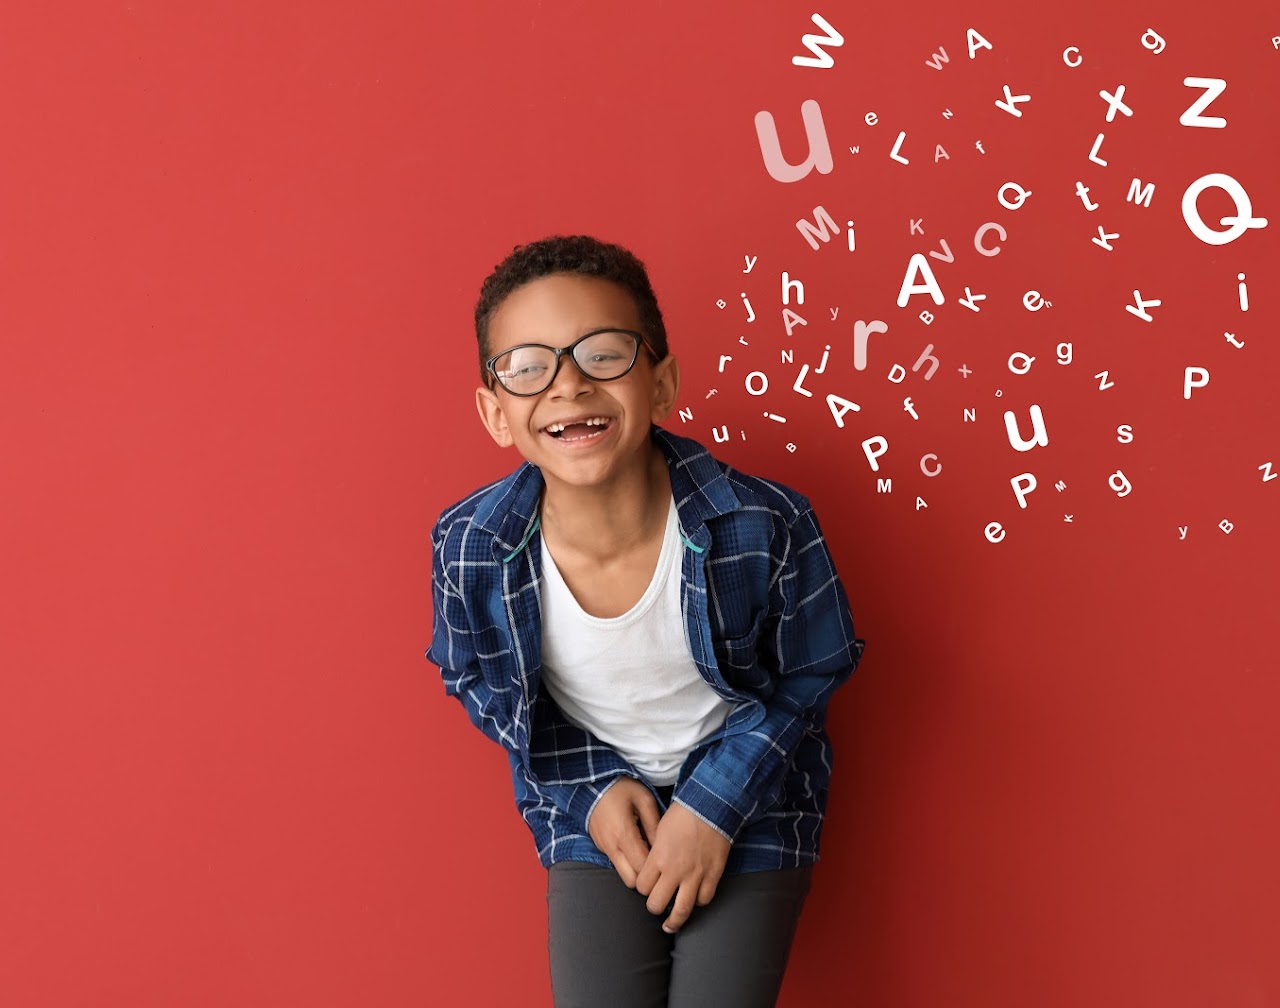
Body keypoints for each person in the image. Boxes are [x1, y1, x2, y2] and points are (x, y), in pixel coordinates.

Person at [427, 234, 866, 1007]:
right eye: (529, 367)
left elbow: (814, 667)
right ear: (497, 414)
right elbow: (472, 674)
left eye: (603, 354)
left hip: (754, 794)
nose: (567, 385)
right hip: (589, 802)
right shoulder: (471, 548)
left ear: (661, 386)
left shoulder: (765, 522)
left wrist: (711, 807)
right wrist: (590, 788)